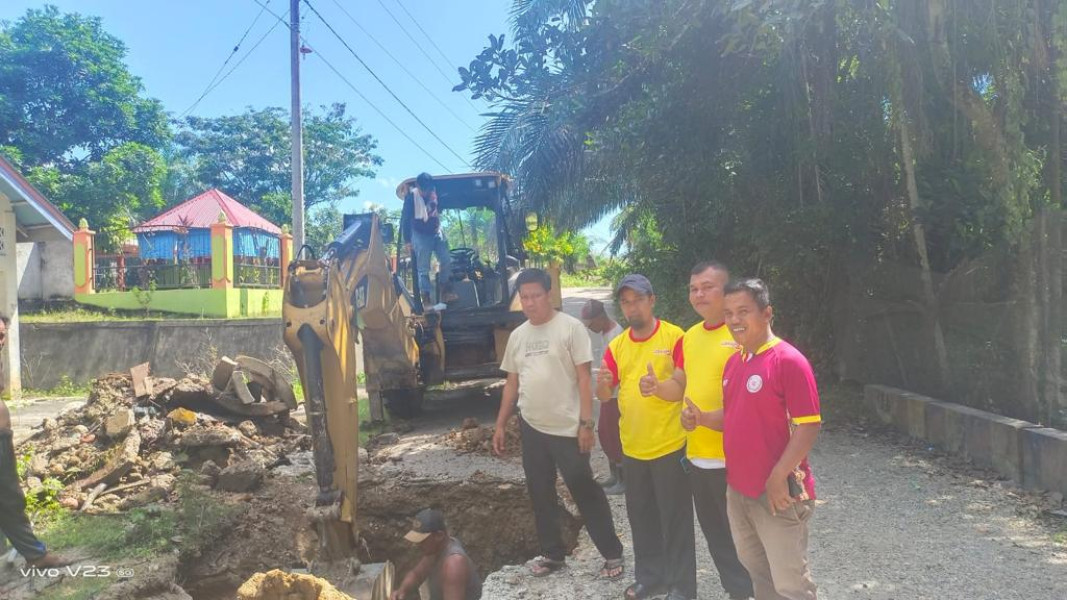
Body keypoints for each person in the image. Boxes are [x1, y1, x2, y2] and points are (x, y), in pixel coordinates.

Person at [681, 278, 820, 600]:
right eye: (728, 313)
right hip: (739, 490)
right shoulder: (736, 361)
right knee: (760, 578)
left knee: (791, 586)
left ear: (767, 313)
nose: (734, 320)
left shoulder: (788, 361)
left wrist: (777, 476)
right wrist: (701, 418)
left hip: (779, 493)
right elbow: (732, 418)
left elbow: (808, 426)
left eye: (743, 311)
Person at [493, 269, 625, 580]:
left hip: (567, 428)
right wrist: (500, 424)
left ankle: (612, 552)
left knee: (584, 488)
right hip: (532, 427)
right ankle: (553, 554)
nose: (530, 303)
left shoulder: (570, 328)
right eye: (524, 297)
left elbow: (583, 377)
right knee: (540, 492)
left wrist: (586, 423)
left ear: (549, 295)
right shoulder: (518, 336)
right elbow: (511, 383)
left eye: (536, 296)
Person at [639, 262, 754, 600]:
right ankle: (738, 592)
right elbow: (680, 383)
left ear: (727, 291)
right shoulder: (689, 337)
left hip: (738, 458)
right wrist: (657, 387)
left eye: (708, 286)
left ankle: (756, 591)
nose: (699, 294)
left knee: (748, 538)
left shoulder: (741, 334)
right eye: (694, 288)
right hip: (700, 457)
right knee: (717, 536)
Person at [596, 274, 695, 600]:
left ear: (652, 300)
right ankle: (650, 579)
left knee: (676, 520)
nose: (632, 306)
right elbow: (605, 393)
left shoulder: (675, 337)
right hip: (634, 448)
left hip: (669, 445)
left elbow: (681, 385)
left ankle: (682, 586)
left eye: (638, 299)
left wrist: (658, 387)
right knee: (641, 519)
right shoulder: (616, 346)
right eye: (625, 301)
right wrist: (602, 383)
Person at [0, 316, 69, 568]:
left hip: (2, 439)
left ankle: (35, 555)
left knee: (10, 499)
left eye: (2, 335)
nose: (1, 340)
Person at [580, 299, 625, 495]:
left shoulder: (616, 335)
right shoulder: (607, 332)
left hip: (615, 395)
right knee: (606, 434)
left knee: (614, 435)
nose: (591, 329)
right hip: (609, 394)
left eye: (591, 324)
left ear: (600, 318)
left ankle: (624, 480)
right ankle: (614, 475)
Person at [390, 508, 482, 600]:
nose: (417, 544)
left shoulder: (453, 564)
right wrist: (402, 591)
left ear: (439, 535)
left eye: (422, 540)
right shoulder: (436, 551)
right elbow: (416, 575)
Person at [400, 172, 452, 305]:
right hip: (420, 234)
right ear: (417, 186)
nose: (425, 192)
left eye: (427, 190)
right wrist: (407, 241)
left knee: (446, 259)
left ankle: (444, 291)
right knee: (423, 269)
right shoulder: (411, 198)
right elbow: (405, 220)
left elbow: (438, 208)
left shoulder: (435, 193)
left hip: (436, 230)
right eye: (423, 190)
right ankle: (426, 299)